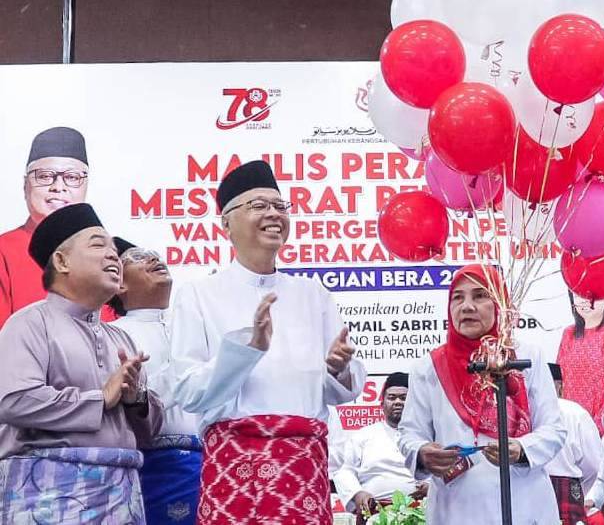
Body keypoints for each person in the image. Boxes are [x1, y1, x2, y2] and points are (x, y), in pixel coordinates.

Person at [170, 160, 366, 524]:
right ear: (226, 223)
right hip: (234, 467)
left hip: (301, 468)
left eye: (280, 206)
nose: (273, 214)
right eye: (259, 205)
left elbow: (342, 389)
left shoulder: (314, 294)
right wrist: (246, 349)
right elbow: (188, 391)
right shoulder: (197, 294)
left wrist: (337, 370)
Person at [0, 203, 163, 523]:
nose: (114, 256)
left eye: (115, 250)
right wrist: (100, 398)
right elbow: (13, 400)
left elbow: (148, 434)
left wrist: (136, 400)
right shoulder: (30, 323)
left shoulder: (121, 339)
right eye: (98, 244)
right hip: (47, 496)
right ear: (61, 261)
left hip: (121, 496)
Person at [397, 264, 567, 525]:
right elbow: (410, 433)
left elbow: (554, 429)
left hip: (522, 501)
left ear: (499, 304)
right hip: (457, 507)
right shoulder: (429, 367)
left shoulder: (525, 357)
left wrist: (522, 449)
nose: (466, 306)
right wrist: (421, 453)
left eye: (479, 295)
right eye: (457, 297)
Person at [110, 237, 201, 525]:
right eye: (138, 257)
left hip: (211, 461)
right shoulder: (111, 335)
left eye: (154, 254)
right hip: (149, 463)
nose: (152, 258)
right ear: (120, 284)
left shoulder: (194, 324)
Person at [0, 126, 90, 328]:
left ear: (86, 185)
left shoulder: (105, 254)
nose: (58, 186)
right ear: (25, 186)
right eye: (44, 176)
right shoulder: (4, 250)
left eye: (72, 177)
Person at [333, 372, 428, 523]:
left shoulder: (427, 437)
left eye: (404, 398)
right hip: (374, 514)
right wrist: (357, 493)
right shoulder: (363, 435)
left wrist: (431, 487)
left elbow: (442, 473)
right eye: (391, 397)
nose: (398, 402)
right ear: (382, 403)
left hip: (420, 512)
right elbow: (344, 470)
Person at [556, 293, 604, 434]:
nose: (585, 302)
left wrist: (594, 429)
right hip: (571, 429)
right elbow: (560, 384)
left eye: (592, 296)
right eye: (578, 296)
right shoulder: (568, 333)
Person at [545, 362, 602, 525]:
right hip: (568, 490)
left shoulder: (523, 412)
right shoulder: (575, 412)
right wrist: (578, 491)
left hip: (531, 489)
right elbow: (594, 465)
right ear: (560, 386)